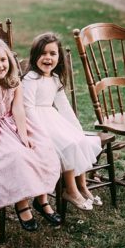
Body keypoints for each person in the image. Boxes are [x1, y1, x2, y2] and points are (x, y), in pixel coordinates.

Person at [0, 37, 61, 231]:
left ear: (10, 60)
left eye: (3, 60)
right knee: (16, 157)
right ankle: (21, 203)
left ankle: (42, 200)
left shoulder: (14, 83)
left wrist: (24, 135)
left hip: (14, 124)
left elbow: (18, 111)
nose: (0, 65)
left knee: (42, 147)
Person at [22, 33, 103, 211]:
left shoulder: (55, 79)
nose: (47, 58)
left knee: (79, 140)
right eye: (43, 53)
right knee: (67, 145)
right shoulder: (31, 79)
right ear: (34, 56)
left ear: (59, 58)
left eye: (52, 53)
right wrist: (39, 131)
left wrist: (77, 128)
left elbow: (64, 106)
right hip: (36, 123)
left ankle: (82, 186)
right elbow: (27, 108)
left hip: (52, 119)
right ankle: (71, 190)